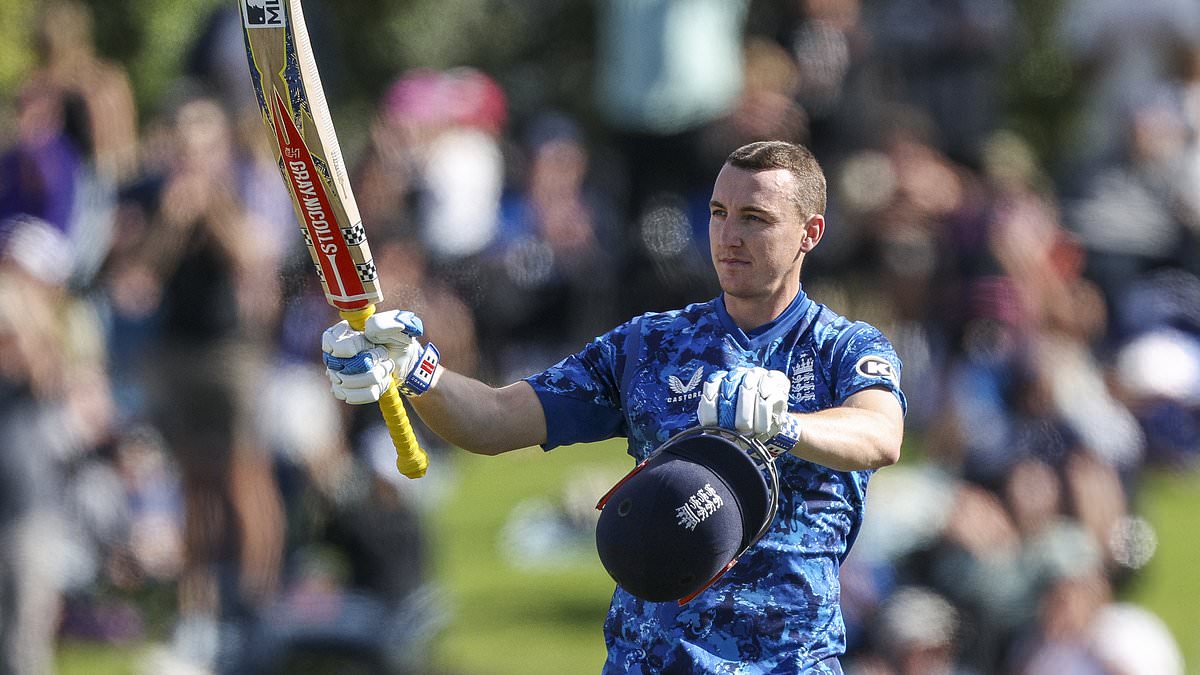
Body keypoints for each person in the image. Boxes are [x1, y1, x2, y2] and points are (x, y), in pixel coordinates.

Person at [322, 141, 906, 673]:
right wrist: (415, 370)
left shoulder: (843, 348)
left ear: (810, 232)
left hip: (788, 663)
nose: (729, 236)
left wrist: (786, 427)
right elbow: (496, 420)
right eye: (719, 213)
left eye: (756, 219)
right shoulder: (650, 346)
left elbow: (881, 433)